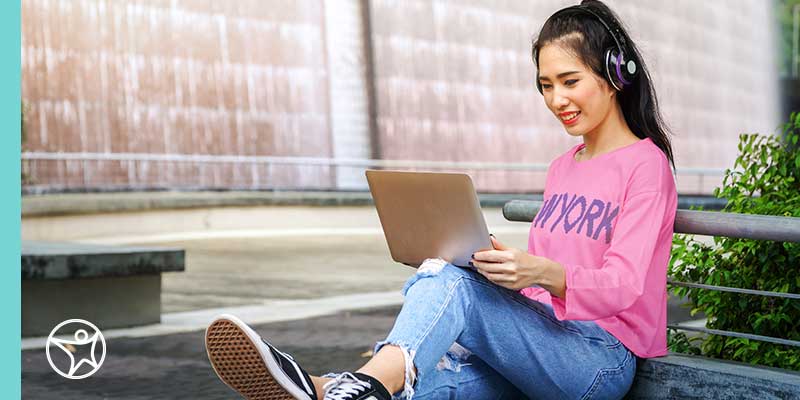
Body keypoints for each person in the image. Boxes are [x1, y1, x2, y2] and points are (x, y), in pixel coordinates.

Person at [203, 0, 677, 399]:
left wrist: (539, 272)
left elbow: (623, 285)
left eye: (569, 81)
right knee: (432, 380)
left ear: (615, 75)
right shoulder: (563, 167)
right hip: (543, 342)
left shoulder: (645, 166)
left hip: (599, 359)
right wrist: (500, 267)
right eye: (545, 85)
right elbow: (543, 287)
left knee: (450, 283)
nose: (556, 100)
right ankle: (326, 390)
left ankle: (356, 386)